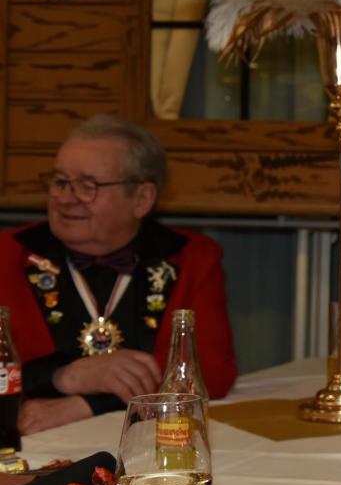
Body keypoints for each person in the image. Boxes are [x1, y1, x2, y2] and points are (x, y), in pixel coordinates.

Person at [0, 114, 237, 434]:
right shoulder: (7, 254)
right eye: (60, 181)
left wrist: (90, 404)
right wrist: (62, 376)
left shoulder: (192, 257)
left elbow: (210, 371)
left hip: (150, 440)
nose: (65, 198)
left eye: (88, 186)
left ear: (141, 199)